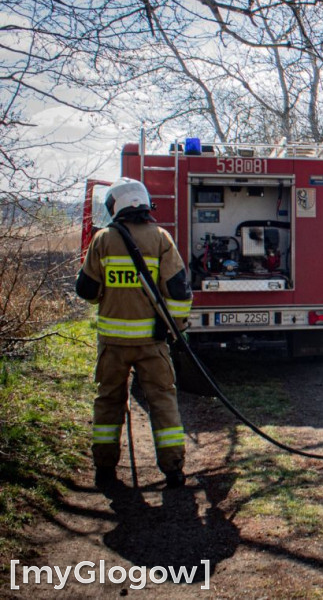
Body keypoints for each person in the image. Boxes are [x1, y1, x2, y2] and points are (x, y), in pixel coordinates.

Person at [76, 178, 193, 489]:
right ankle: (173, 470)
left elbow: (86, 291)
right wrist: (174, 328)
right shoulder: (160, 239)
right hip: (152, 344)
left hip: (112, 345)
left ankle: (104, 468)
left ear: (116, 205)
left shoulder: (102, 240)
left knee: (108, 402)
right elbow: (179, 293)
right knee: (163, 402)